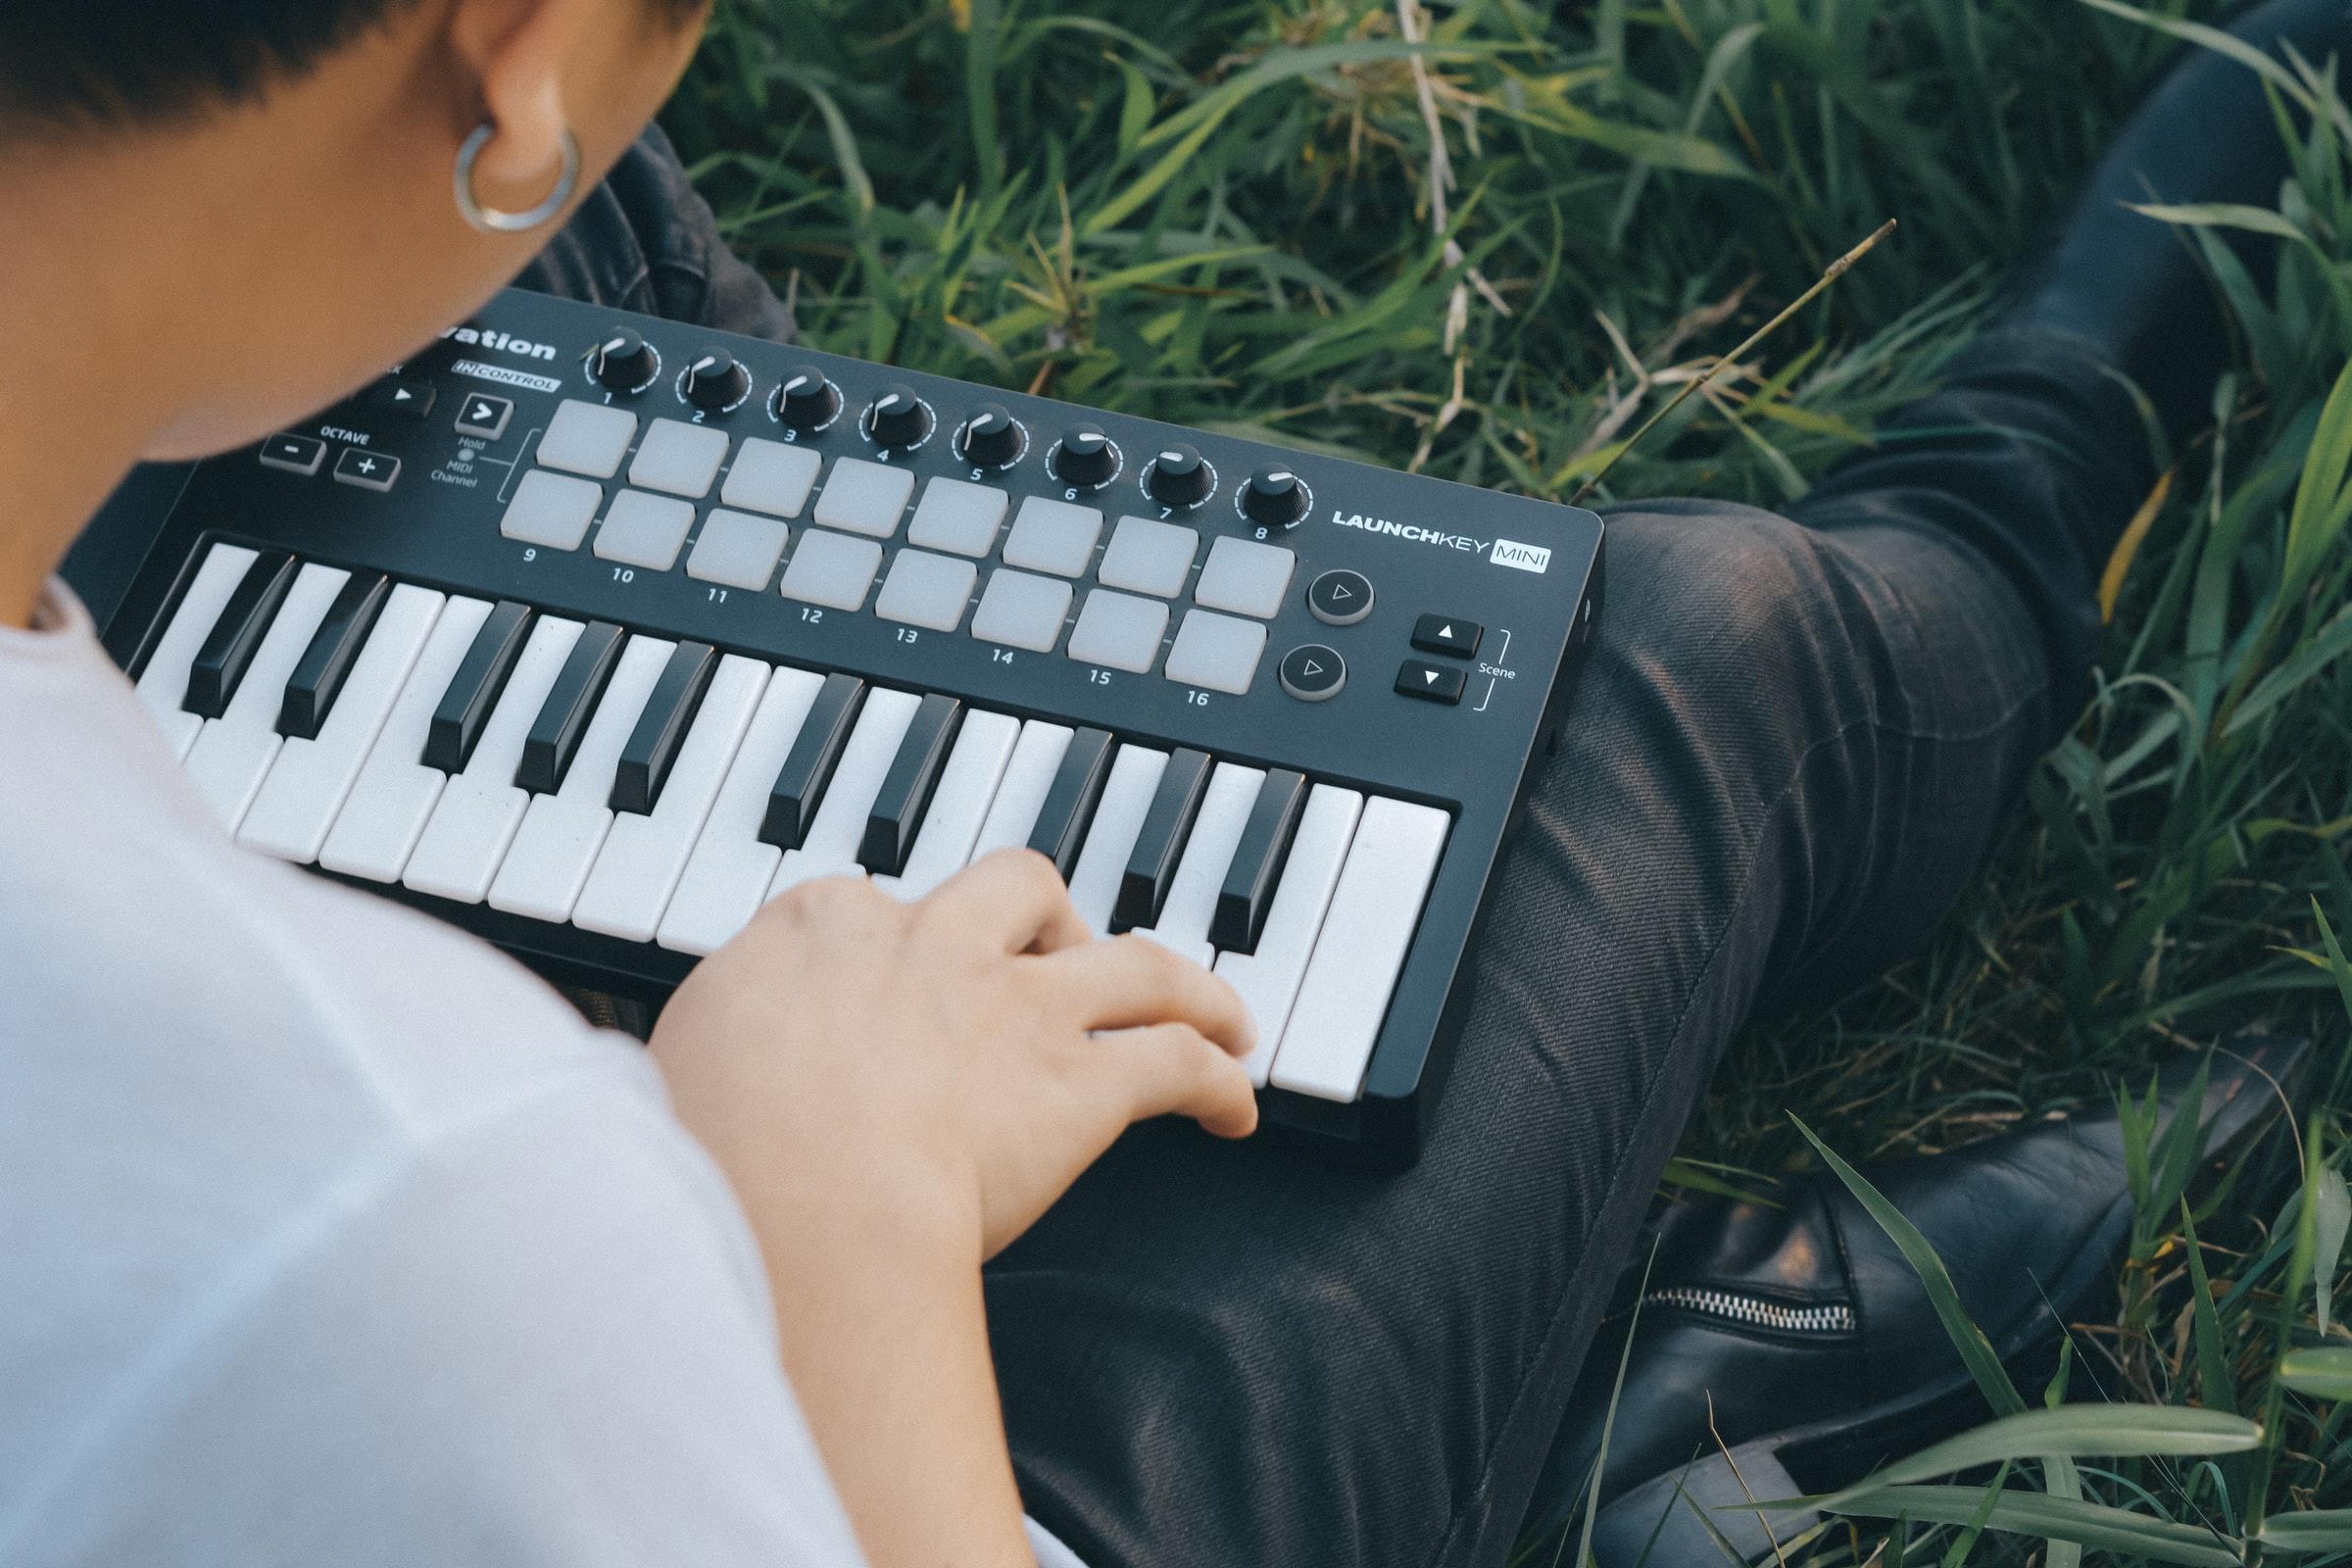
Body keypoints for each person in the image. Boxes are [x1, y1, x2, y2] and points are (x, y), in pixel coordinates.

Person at [0, 5, 2334, 1568]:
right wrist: (834, 1223)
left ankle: (1541, 1306)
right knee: (1679, 672)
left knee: (565, 274)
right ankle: (2015, 508)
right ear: (508, 43)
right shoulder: (426, 1221)